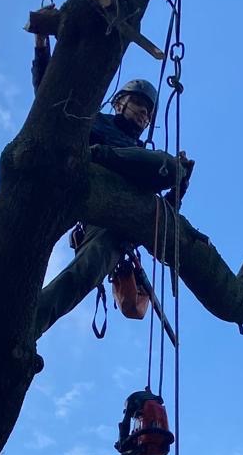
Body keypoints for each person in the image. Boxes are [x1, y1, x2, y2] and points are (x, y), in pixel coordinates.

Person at [30, 32, 193, 335]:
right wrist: (41, 44)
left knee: (87, 272)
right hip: (91, 197)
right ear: (119, 103)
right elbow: (48, 97)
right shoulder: (95, 121)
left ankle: (30, 324)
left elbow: (158, 215)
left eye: (148, 114)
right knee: (82, 271)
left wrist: (179, 186)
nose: (144, 115)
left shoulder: (142, 156)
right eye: (138, 106)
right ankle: (27, 322)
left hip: (120, 220)